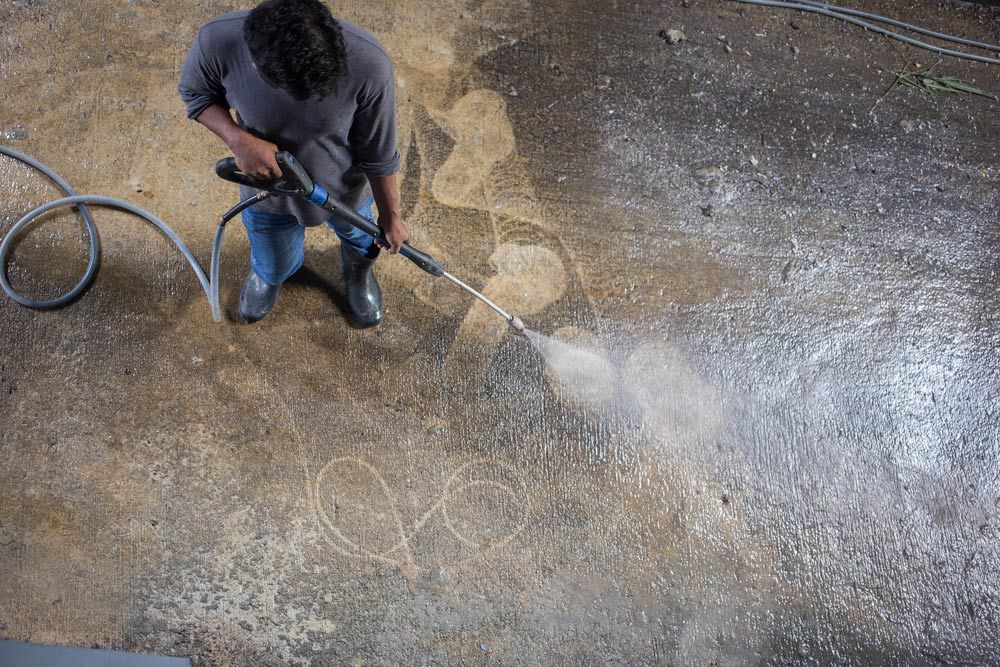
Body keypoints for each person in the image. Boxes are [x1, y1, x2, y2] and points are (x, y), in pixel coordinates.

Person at [178, 0, 409, 327]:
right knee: (273, 256)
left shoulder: (370, 64)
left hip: (346, 190)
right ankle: (270, 276)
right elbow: (196, 94)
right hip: (269, 193)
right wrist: (237, 138)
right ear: (256, 66)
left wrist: (391, 216)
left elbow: (380, 153)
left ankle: (357, 271)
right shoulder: (217, 42)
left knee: (363, 241)